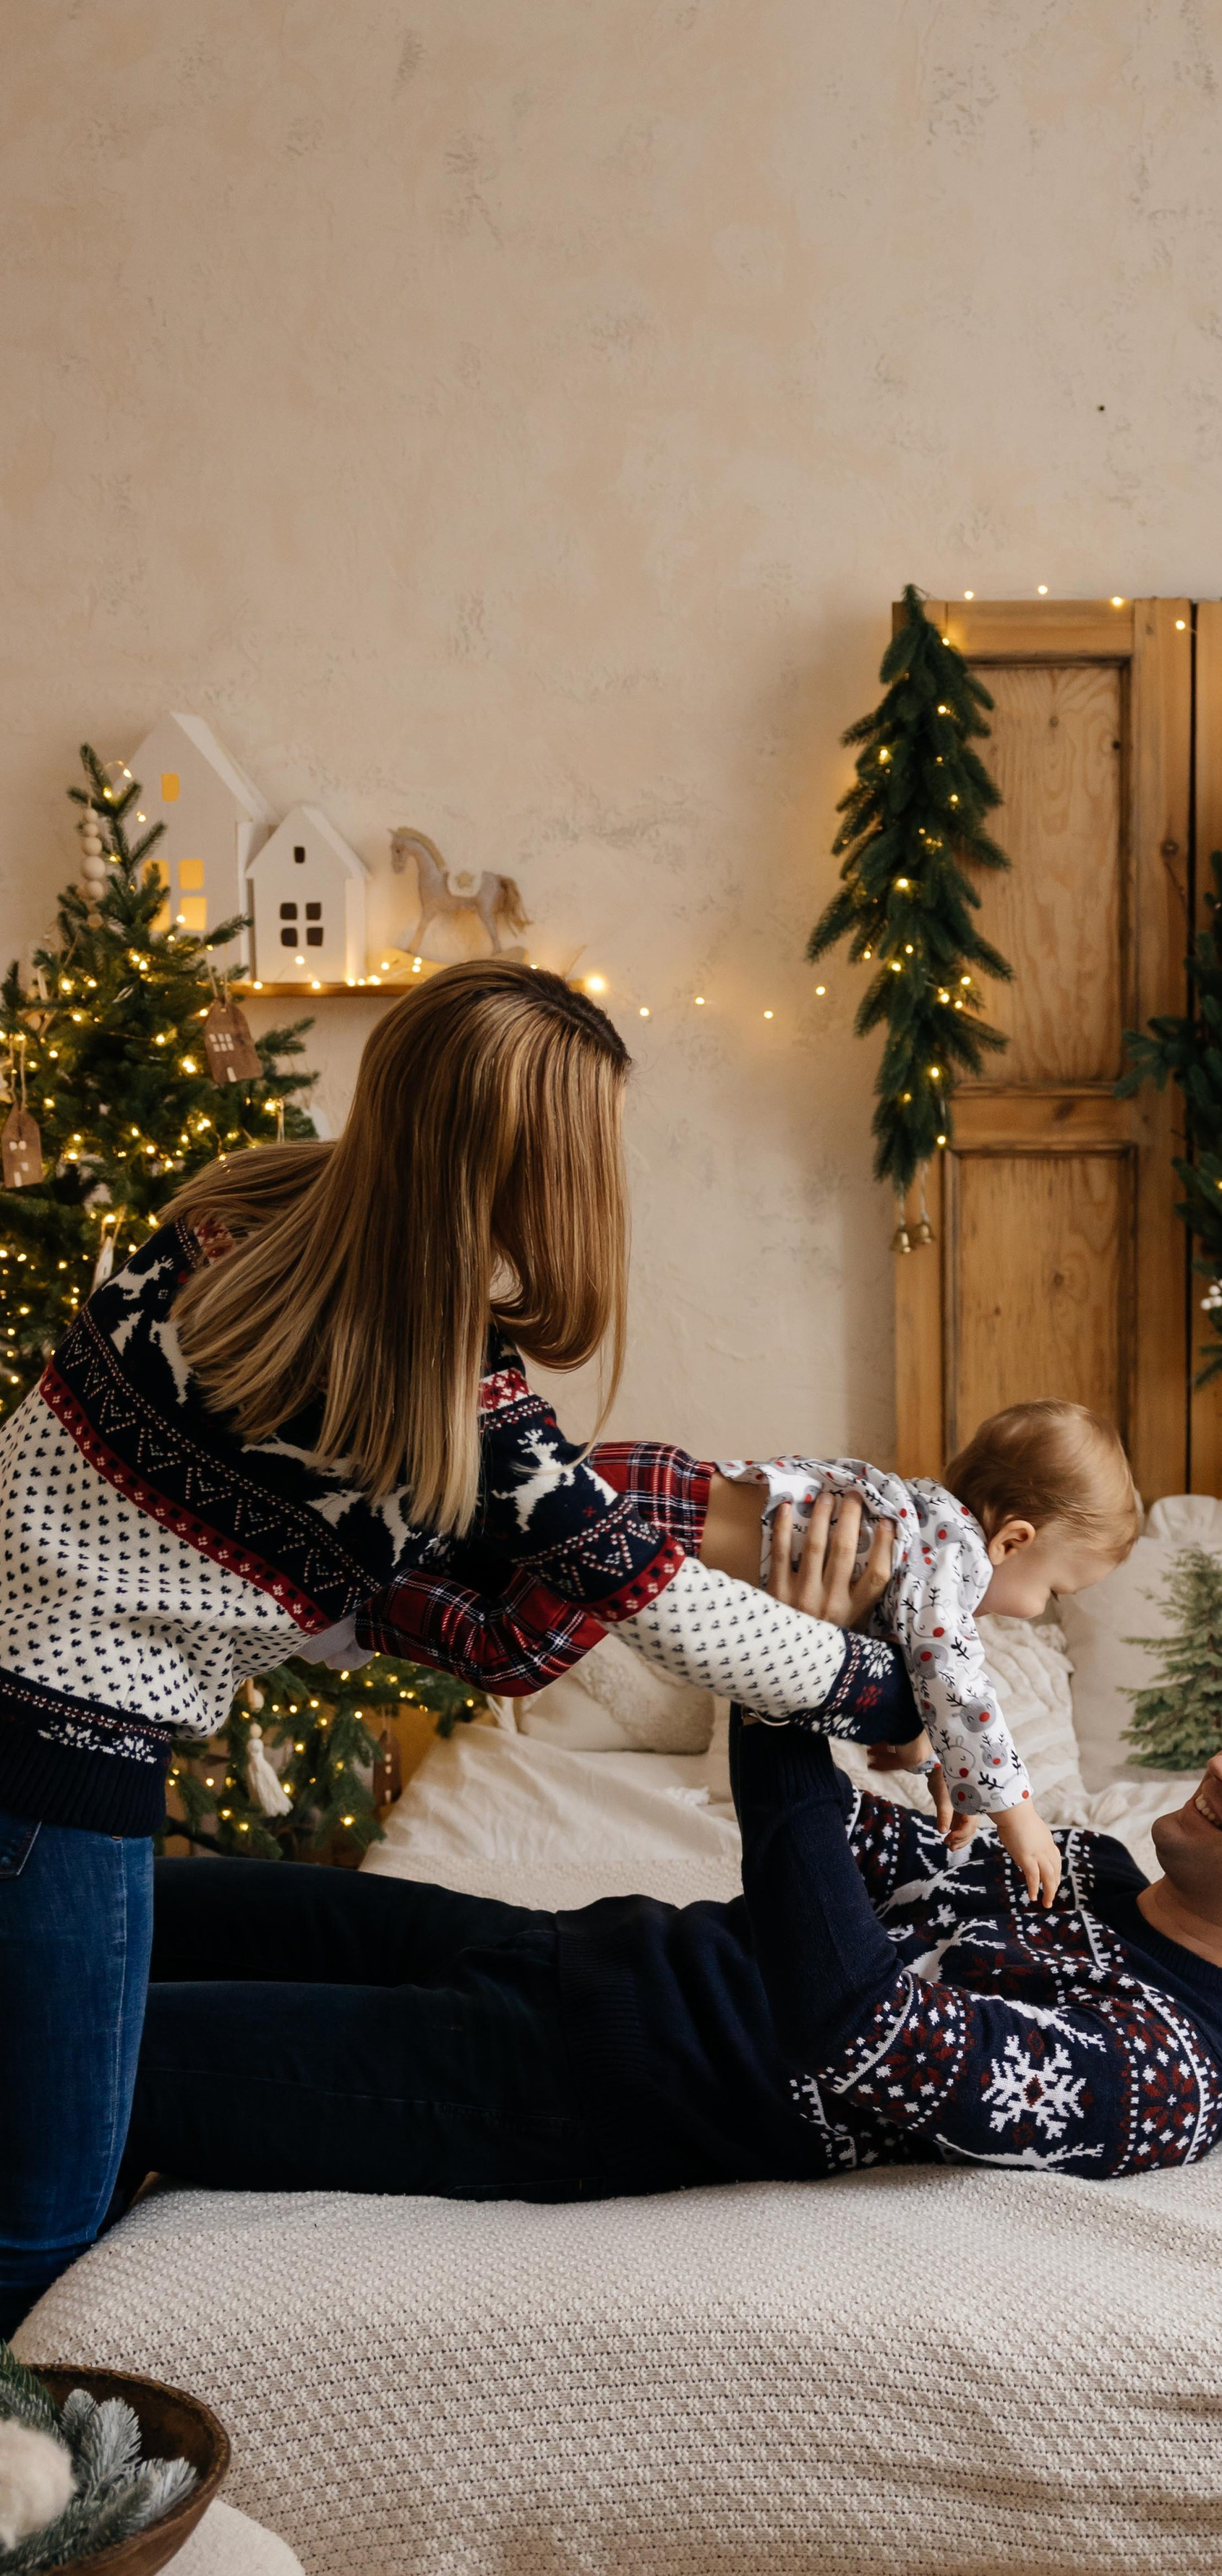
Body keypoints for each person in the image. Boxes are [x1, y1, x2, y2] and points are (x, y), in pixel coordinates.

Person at [0, 962, 921, 2337]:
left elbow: (342, 1559)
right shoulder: (451, 1392)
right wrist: (897, 1691)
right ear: (535, 1169)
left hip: (37, 1741)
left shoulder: (228, 1220)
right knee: (48, 2215)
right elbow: (672, 1608)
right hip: (54, 1774)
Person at [116, 1504, 1222, 2202]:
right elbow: (844, 1837)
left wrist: (782, 1681)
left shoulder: (1172, 2068)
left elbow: (854, 2033)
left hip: (570, 2084)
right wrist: (860, 1675)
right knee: (139, 1906)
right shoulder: (1095, 1873)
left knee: (93, 2050)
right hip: (563, 1946)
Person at [589, 1398, 1142, 1909]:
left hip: (652, 1499)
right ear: (1012, 1541)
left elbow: (902, 1670)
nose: (1038, 1610)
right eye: (1052, 1594)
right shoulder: (956, 1555)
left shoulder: (927, 1533)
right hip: (643, 1517)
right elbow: (957, 1684)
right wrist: (1020, 1815)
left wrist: (925, 1754)